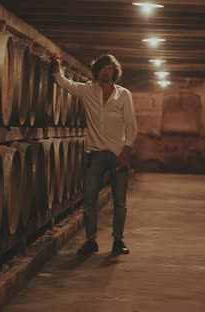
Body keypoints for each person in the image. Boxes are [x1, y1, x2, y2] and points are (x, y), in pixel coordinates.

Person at [50, 53, 137, 255]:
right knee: (89, 199)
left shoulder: (123, 94)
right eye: (102, 67)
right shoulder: (87, 90)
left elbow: (131, 125)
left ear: (114, 72)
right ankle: (91, 241)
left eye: (109, 68)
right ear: (97, 71)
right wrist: (56, 67)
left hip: (117, 154)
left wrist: (127, 149)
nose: (105, 71)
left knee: (120, 201)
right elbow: (64, 83)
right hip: (95, 154)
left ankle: (118, 241)